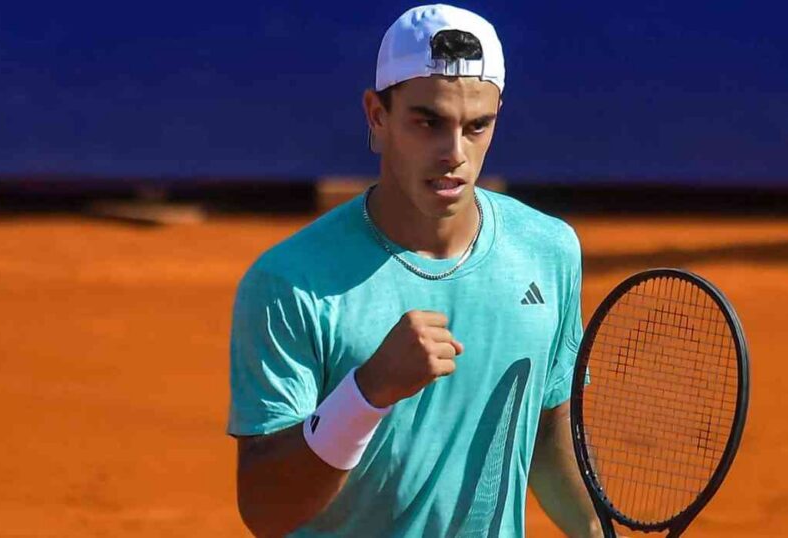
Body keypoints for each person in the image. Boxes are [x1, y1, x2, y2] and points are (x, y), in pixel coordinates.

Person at [229, 5, 601, 537]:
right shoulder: (289, 283)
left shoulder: (550, 249)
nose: (454, 153)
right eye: (428, 123)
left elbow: (543, 431)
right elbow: (266, 509)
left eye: (477, 126)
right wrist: (367, 393)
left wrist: (595, 530)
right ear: (376, 116)